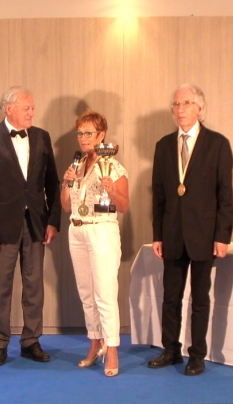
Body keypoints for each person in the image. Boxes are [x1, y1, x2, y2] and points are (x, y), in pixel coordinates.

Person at [0, 86, 61, 366]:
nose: (32, 112)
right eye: (26, 108)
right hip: (0, 229)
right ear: (8, 109)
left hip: (36, 225)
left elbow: (53, 184)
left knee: (34, 288)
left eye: (33, 108)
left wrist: (53, 221)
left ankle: (31, 341)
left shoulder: (42, 137)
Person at [148, 83, 233, 376]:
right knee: (170, 297)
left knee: (200, 298)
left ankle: (196, 354)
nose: (180, 109)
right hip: (171, 235)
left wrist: (223, 236)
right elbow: (158, 195)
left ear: (200, 107)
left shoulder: (218, 144)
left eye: (186, 103)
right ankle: (170, 349)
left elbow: (225, 195)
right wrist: (157, 234)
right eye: (176, 104)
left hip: (204, 236)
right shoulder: (163, 145)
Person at [60, 111, 129, 377]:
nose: (83, 138)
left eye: (89, 133)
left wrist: (111, 190)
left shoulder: (114, 166)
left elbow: (123, 205)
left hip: (102, 231)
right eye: (80, 133)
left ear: (102, 136)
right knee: (86, 294)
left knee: (105, 294)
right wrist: (67, 183)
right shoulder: (76, 164)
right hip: (76, 231)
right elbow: (66, 206)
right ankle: (94, 344)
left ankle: (112, 349)